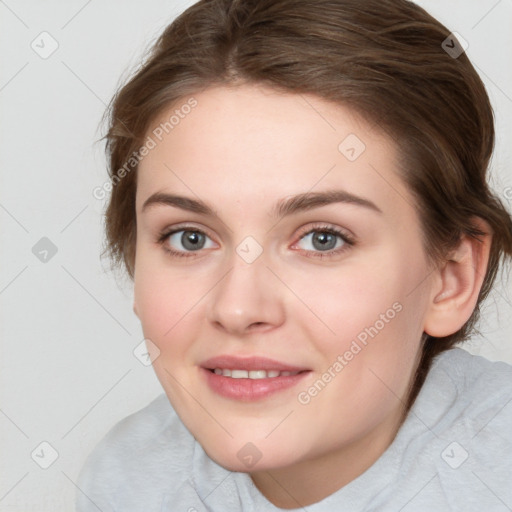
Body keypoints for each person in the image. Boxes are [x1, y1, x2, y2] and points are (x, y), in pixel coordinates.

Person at [77, 0, 512, 510]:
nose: (238, 308)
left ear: (450, 278)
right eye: (189, 238)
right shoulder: (127, 481)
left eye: (322, 239)